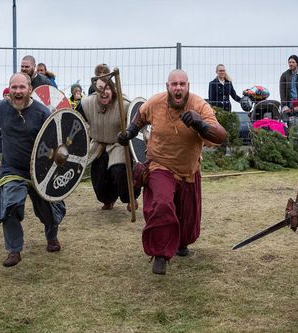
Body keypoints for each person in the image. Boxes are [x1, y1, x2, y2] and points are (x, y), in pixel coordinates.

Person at [117, 69, 227, 275]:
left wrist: (200, 124)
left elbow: (220, 135)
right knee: (162, 203)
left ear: (188, 86)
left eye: (182, 84)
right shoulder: (155, 102)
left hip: (188, 170)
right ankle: (160, 254)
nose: (178, 88)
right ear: (167, 86)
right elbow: (139, 117)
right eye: (174, 84)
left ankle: (181, 242)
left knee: (187, 221)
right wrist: (130, 133)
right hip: (160, 165)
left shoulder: (199, 105)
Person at [0, 73, 66, 267]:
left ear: (30, 89)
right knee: (10, 206)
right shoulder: (1, 107)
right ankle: (14, 250)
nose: (17, 91)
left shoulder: (42, 113)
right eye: (14, 87)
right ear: (9, 90)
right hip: (12, 169)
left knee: (49, 210)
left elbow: (57, 145)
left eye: (21, 87)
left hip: (40, 171)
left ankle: (52, 237)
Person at [77, 78, 140, 211]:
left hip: (118, 144)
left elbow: (138, 123)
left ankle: (130, 197)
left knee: (119, 172)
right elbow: (74, 121)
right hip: (98, 144)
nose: (103, 92)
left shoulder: (125, 105)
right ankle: (108, 199)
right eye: (100, 88)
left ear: (112, 89)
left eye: (107, 88)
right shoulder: (87, 104)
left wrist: (129, 135)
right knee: (98, 179)